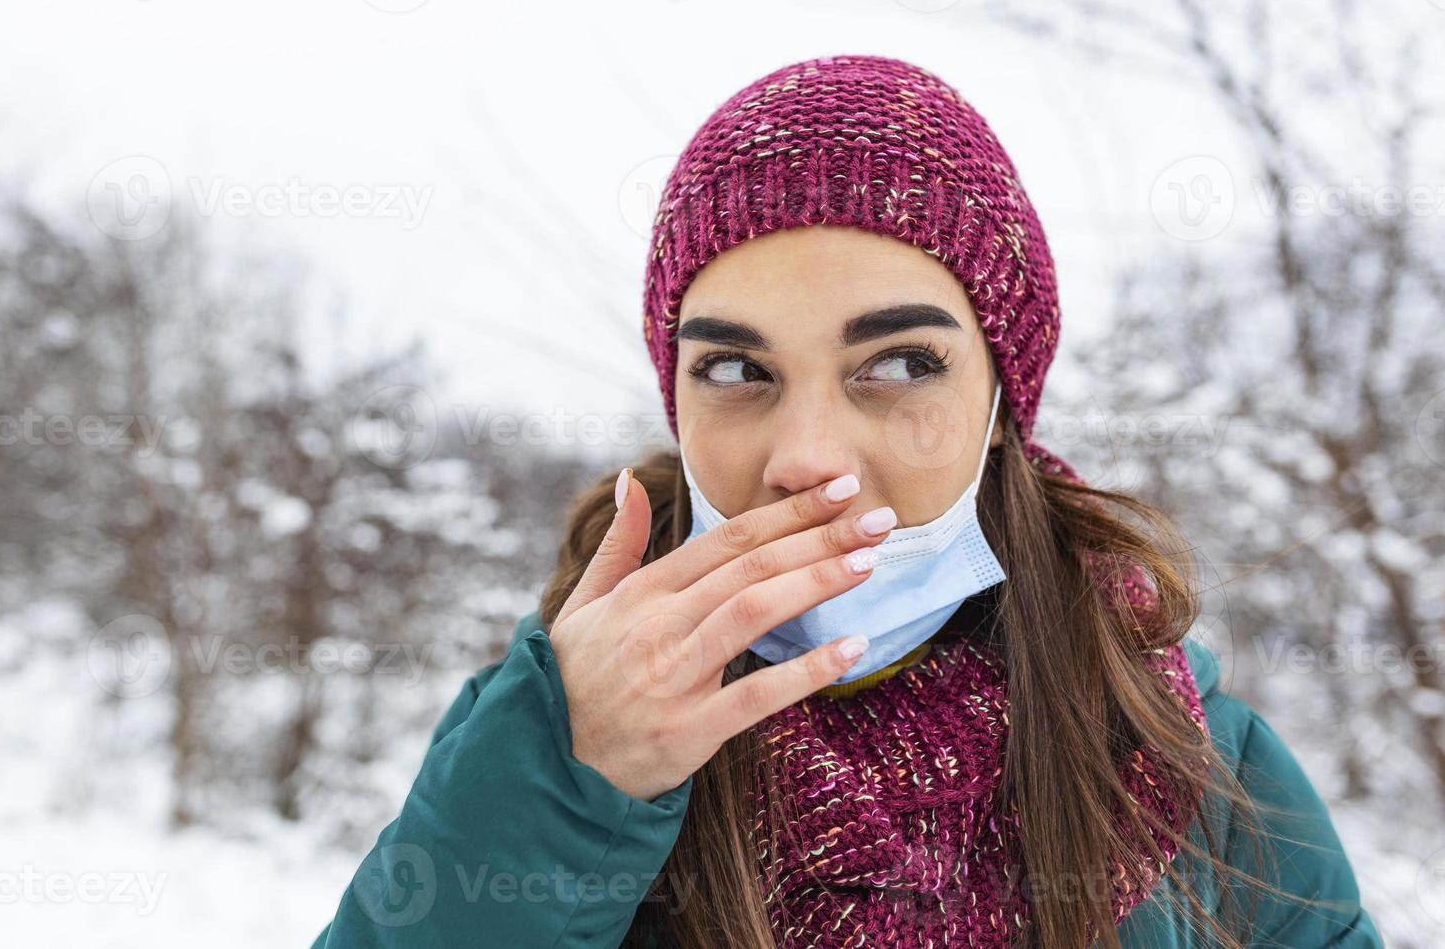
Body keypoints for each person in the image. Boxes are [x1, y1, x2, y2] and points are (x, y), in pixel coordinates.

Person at [311, 54, 1382, 948]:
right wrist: (564, 782)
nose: (809, 459)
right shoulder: (542, 732)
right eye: (736, 371)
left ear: (1004, 404)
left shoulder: (1195, 761)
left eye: (903, 362)